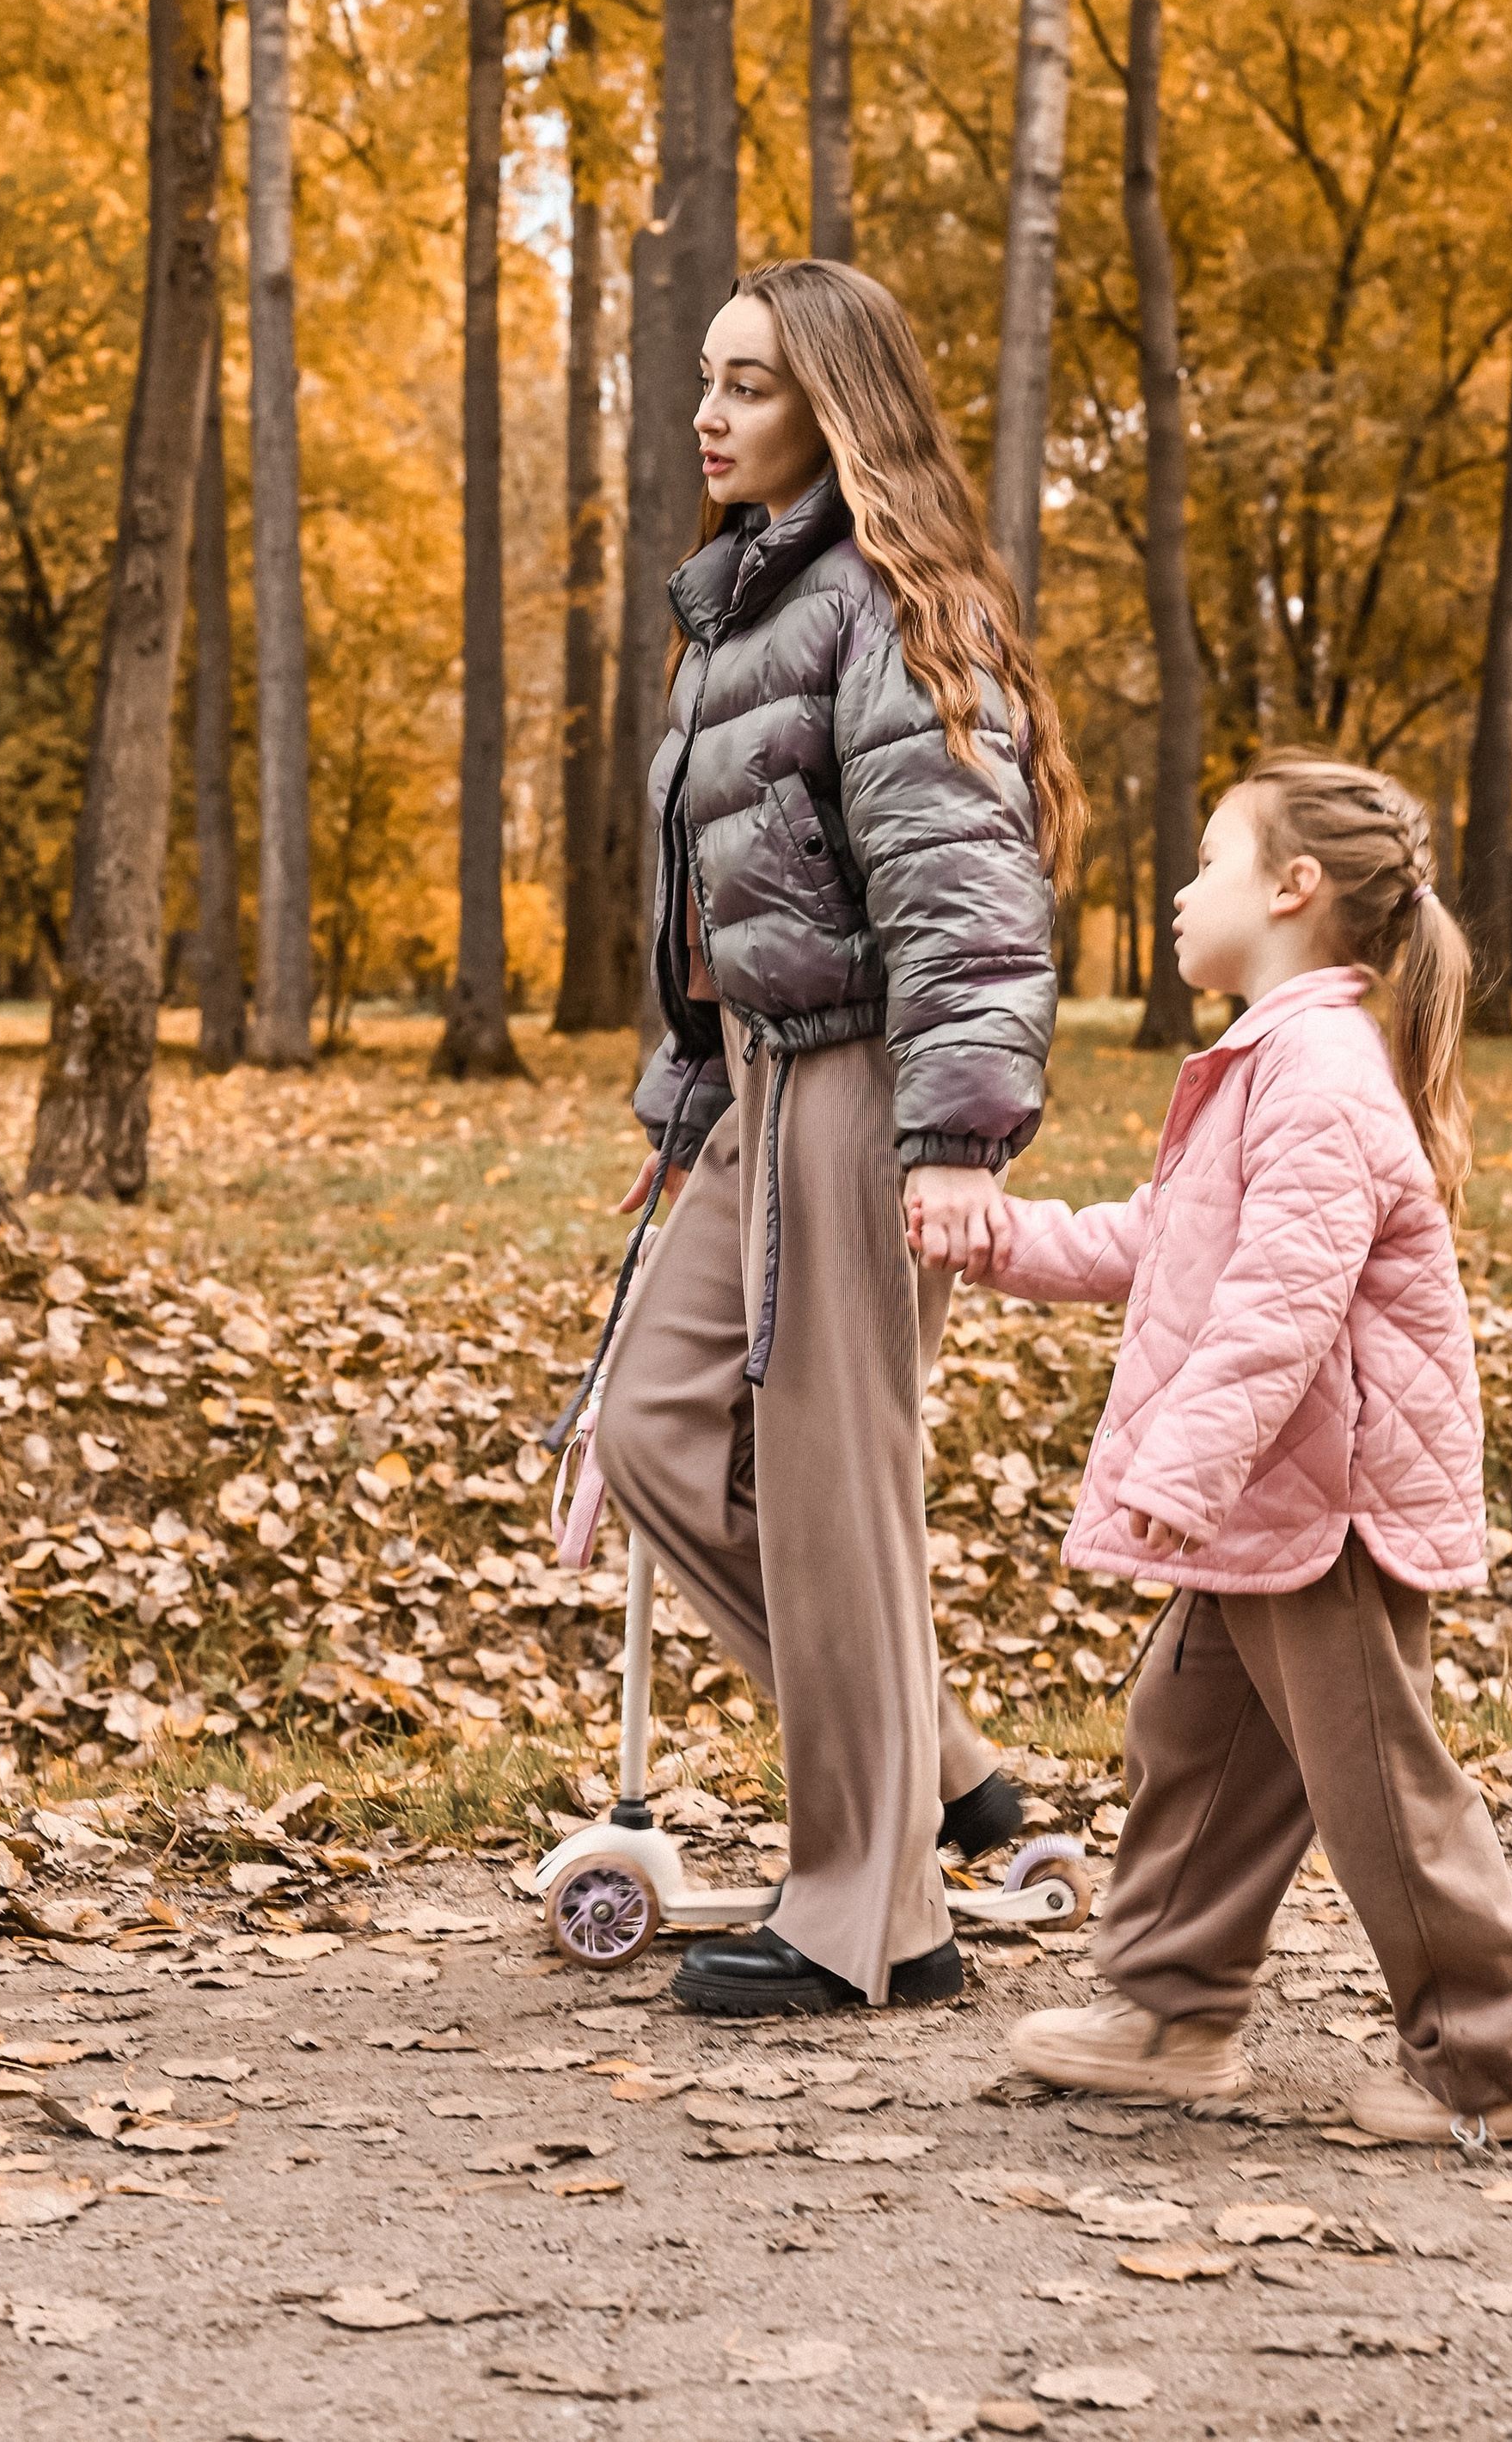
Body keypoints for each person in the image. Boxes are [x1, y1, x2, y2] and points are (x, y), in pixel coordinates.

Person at [913, 751, 1512, 2145]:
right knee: (1193, 1733)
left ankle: (1508, 2059)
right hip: (1265, 1501)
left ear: (1292, 890)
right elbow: (1161, 1242)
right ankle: (1173, 2010)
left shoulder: (1322, 1073)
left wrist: (1182, 1471)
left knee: (1379, 1787)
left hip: (1323, 1504)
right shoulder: (1263, 1062)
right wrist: (1001, 1239)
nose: (1179, 889)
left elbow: (1280, 1310)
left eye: (1209, 861)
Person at [594, 258, 1083, 2017]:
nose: (708, 414)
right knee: (650, 1428)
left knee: (830, 1485)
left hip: (872, 1088)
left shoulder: (881, 601)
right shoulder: (741, 603)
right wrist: (689, 1094)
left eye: (748, 386)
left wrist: (952, 1133)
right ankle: (934, 1761)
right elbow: (721, 897)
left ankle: (863, 1918)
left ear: (833, 411)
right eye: (707, 382)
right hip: (760, 1082)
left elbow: (963, 879)